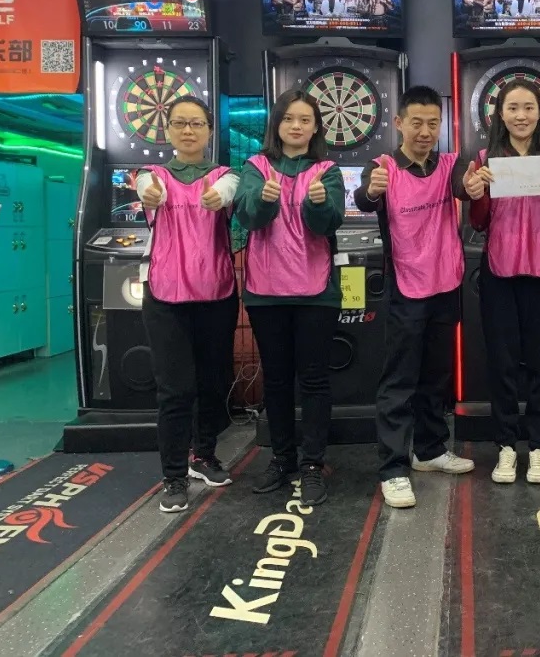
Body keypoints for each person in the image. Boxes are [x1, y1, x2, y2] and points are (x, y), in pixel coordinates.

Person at [353, 86, 477, 509]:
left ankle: (430, 449)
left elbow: (463, 186)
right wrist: (372, 191)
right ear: (399, 123)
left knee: (436, 375)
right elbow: (364, 199)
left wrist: (472, 186)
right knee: (399, 379)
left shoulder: (450, 164)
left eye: (432, 123)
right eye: (417, 123)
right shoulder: (383, 167)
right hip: (406, 286)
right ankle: (392, 468)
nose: (425, 132)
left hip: (446, 282)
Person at [233, 89, 346, 507]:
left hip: (317, 293)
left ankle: (313, 464)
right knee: (277, 379)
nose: (296, 126)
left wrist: (318, 205)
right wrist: (262, 202)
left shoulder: (327, 171)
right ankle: (282, 458)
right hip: (266, 293)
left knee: (314, 379)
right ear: (276, 124)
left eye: (305, 119)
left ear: (316, 127)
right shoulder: (255, 167)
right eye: (288, 119)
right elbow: (246, 217)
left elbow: (329, 223)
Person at [467, 80, 540, 485]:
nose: (521, 115)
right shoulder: (485, 160)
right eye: (513, 108)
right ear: (500, 114)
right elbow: (479, 222)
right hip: (499, 271)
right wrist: (477, 191)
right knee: (503, 362)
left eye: (529, 107)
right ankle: (507, 446)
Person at [138, 96, 239, 513]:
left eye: (196, 123)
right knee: (175, 390)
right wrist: (150, 193)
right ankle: (174, 476)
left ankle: (205, 455)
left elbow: (229, 191)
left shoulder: (224, 177)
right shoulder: (154, 176)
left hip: (216, 294)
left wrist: (221, 196)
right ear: (167, 130)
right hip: (167, 299)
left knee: (213, 382)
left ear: (210, 130)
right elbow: (147, 190)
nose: (188, 130)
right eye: (179, 123)